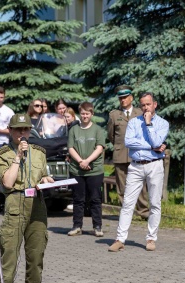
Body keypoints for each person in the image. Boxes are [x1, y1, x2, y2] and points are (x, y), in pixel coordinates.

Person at [0, 114, 54, 283]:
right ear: (10, 131)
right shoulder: (1, 154)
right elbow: (8, 183)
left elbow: (42, 174)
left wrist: (46, 178)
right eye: (18, 130)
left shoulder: (39, 153)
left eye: (26, 129)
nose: (22, 134)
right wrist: (17, 157)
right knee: (9, 254)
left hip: (37, 203)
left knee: (36, 256)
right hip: (15, 203)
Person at [108, 92, 169, 252]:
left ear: (154, 104)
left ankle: (151, 238)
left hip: (154, 164)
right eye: (143, 105)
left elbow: (158, 141)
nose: (145, 107)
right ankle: (120, 239)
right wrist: (150, 146)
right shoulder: (134, 122)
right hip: (135, 165)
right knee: (128, 203)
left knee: (155, 203)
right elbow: (128, 141)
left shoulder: (163, 123)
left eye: (148, 104)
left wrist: (149, 125)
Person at [107, 85, 149, 219]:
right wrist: (119, 146)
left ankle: (144, 212)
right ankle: (126, 213)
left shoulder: (139, 113)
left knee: (140, 185)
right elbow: (111, 135)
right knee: (122, 186)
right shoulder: (114, 115)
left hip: (137, 154)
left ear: (131, 98)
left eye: (125, 97)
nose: (122, 100)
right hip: (120, 155)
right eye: (120, 98)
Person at [67, 102, 106, 237]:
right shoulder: (73, 130)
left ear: (92, 114)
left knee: (95, 199)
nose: (85, 116)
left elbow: (99, 148)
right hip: (77, 170)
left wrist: (88, 161)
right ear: (79, 114)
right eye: (82, 113)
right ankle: (77, 226)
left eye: (87, 114)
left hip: (94, 170)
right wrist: (80, 161)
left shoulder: (98, 130)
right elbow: (71, 148)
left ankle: (97, 226)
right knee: (78, 199)